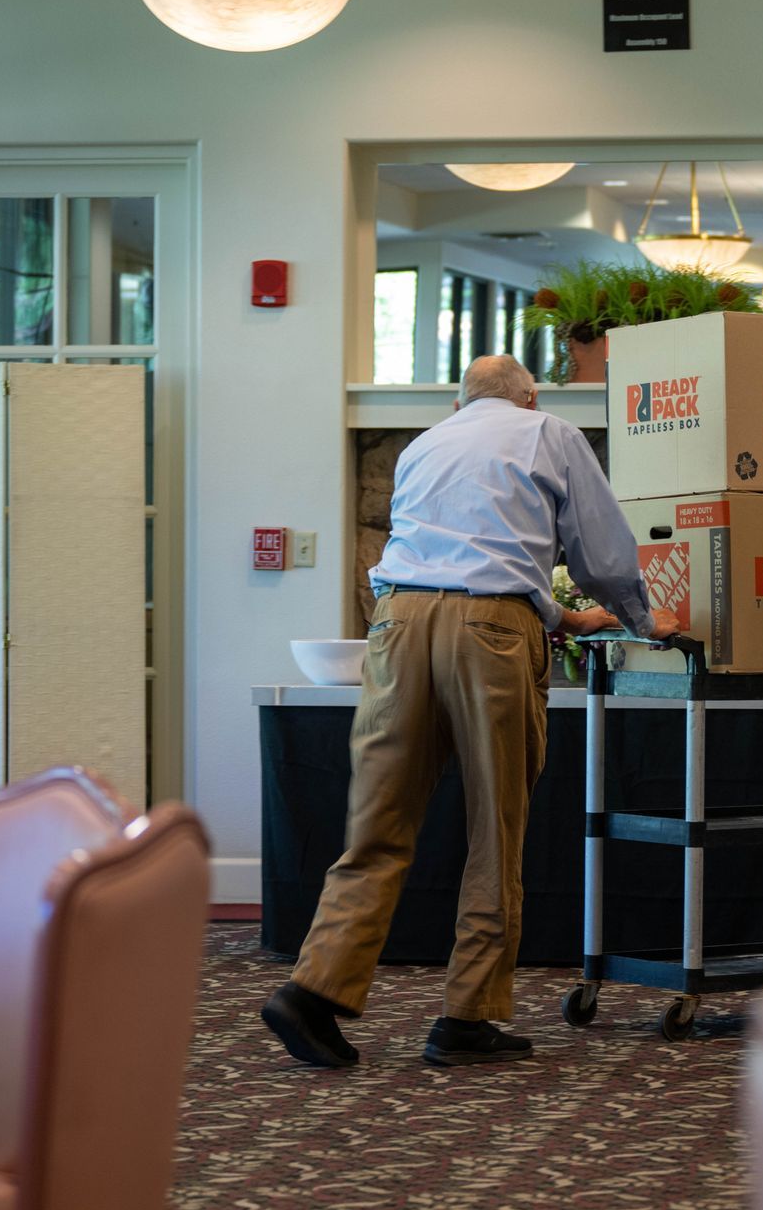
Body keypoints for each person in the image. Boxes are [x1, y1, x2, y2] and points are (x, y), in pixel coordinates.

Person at [262, 355, 679, 1069]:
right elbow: (602, 552)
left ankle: (312, 987)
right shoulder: (548, 431)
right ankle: (468, 1014)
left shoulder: (424, 445)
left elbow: (456, 555)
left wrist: (558, 616)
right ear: (528, 394)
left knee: (377, 825)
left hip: (394, 626)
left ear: (461, 402)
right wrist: (641, 618)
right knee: (496, 824)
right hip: (491, 636)